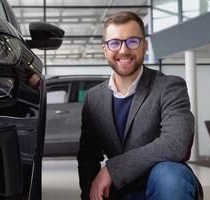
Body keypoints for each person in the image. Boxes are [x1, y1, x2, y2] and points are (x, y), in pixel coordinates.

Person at [77, 11, 197, 200]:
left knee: (170, 175)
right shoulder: (94, 98)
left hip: (161, 186)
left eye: (132, 41)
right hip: (117, 190)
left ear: (145, 46)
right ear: (105, 49)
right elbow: (88, 158)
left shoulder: (169, 87)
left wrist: (111, 169)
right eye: (115, 43)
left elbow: (175, 144)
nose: (123, 50)